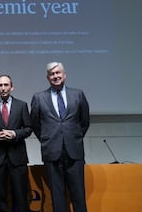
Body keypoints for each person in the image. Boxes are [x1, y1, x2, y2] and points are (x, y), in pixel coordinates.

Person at [30, 62, 90, 212]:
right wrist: (47, 140)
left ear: (64, 75)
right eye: (52, 74)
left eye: (58, 73)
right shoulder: (38, 98)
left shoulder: (78, 94)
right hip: (52, 152)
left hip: (74, 152)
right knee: (57, 196)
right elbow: (35, 125)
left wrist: (74, 138)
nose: (55, 76)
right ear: (47, 78)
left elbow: (85, 121)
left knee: (78, 195)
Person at [0, 74, 33, 212]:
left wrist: (14, 134)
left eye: (6, 85)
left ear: (12, 87)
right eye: (0, 85)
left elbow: (28, 128)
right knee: (0, 198)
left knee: (21, 197)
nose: (3, 88)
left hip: (18, 158)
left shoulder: (22, 105)